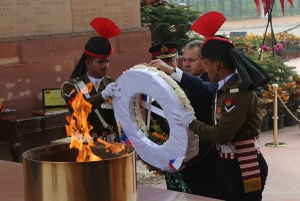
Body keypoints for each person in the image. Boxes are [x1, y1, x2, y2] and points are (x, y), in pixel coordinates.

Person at [172, 11, 270, 201]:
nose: (206, 68)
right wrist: (192, 157)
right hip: (226, 164)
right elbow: (216, 139)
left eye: (206, 64)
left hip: (243, 166)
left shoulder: (238, 92)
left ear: (216, 65)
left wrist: (190, 122)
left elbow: (222, 134)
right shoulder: (224, 89)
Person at [149, 41, 219, 198]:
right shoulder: (181, 82)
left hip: (206, 154)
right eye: (185, 60)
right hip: (183, 155)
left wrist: (173, 71)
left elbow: (205, 88)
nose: (186, 64)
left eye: (192, 60)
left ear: (205, 61)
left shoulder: (210, 80)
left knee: (206, 194)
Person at [61, 17, 121, 143]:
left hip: (111, 144)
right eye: (100, 62)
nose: (105, 65)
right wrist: (103, 95)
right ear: (88, 63)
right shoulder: (71, 86)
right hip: (85, 145)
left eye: (107, 61)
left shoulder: (113, 84)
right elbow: (78, 109)